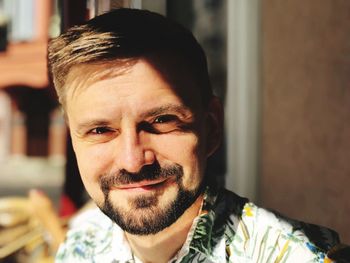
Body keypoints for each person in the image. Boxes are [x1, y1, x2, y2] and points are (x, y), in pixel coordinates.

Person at [48, 8, 347, 263]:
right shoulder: (79, 248)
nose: (133, 161)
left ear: (212, 127)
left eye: (162, 120)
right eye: (100, 130)